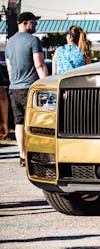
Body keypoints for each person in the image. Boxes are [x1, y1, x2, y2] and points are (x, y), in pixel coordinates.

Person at [5, 12, 48, 166]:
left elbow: (9, 69)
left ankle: (22, 155)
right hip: (30, 88)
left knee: (19, 122)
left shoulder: (9, 42)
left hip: (14, 88)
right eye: (33, 23)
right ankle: (37, 154)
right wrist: (47, 84)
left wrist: (14, 84)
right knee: (37, 121)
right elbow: (40, 65)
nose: (35, 25)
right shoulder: (34, 40)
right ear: (24, 23)